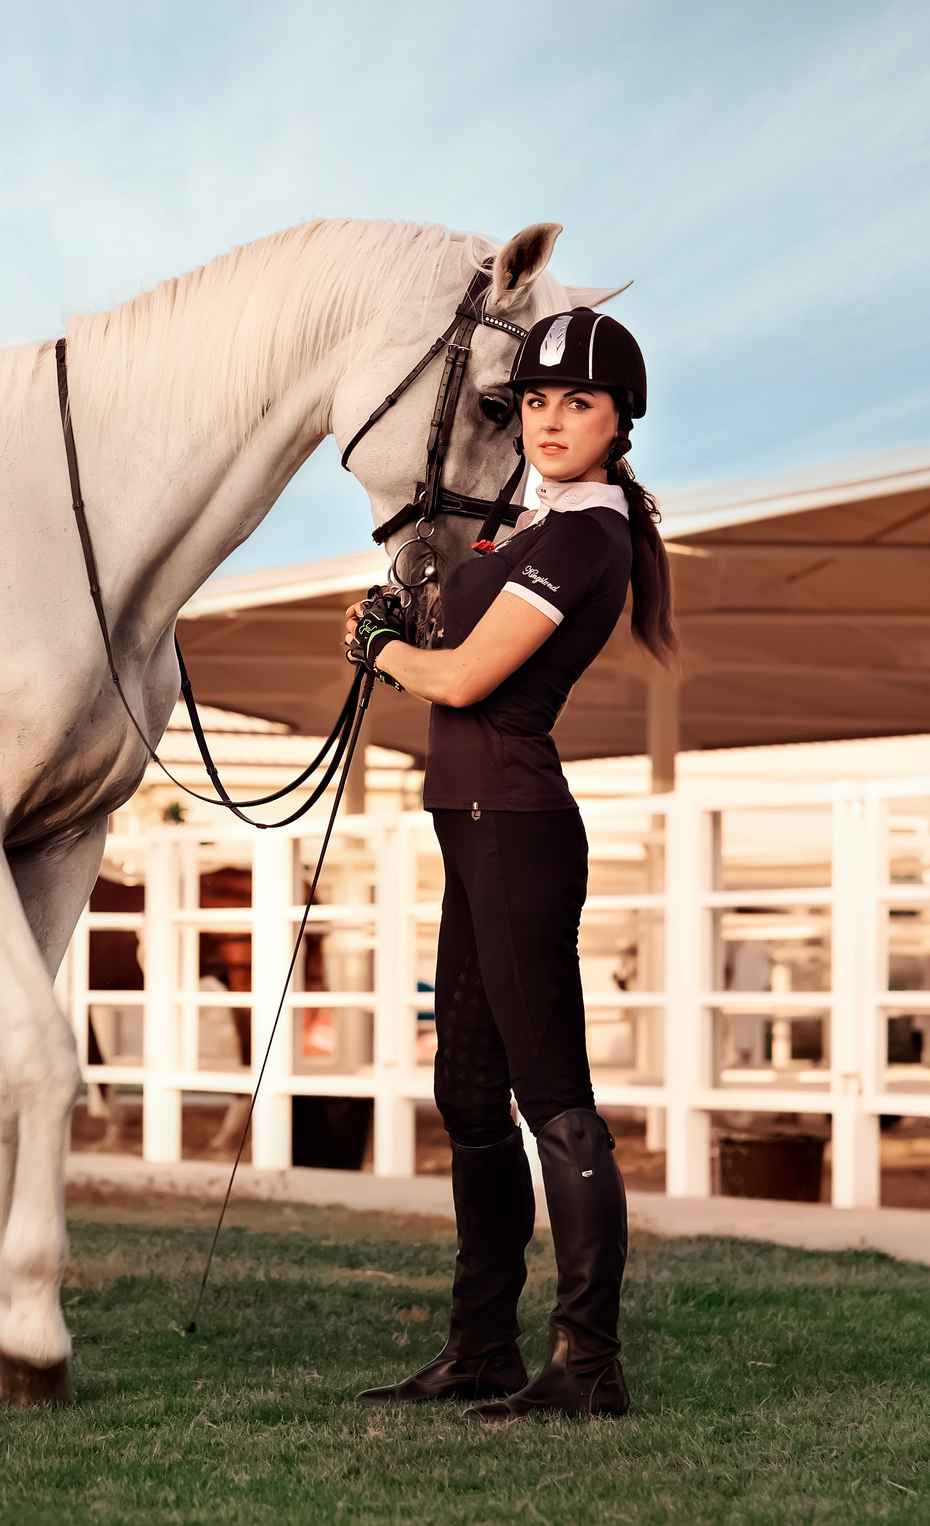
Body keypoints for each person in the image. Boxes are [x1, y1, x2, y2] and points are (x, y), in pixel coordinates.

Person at [345, 305, 677, 1421]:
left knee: (552, 1099)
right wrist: (409, 615)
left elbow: (461, 682)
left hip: (516, 827)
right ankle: (480, 1347)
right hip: (470, 823)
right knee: (470, 1093)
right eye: (533, 401)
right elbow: (452, 643)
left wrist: (382, 651)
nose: (548, 421)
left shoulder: (588, 536)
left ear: (618, 419)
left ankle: (588, 1363)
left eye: (574, 402)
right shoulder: (524, 524)